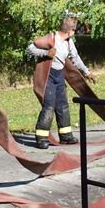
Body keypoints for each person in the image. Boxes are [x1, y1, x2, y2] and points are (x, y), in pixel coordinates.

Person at [26, 16, 95, 149]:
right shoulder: (51, 38)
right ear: (70, 31)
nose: (74, 33)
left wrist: (87, 72)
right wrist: (46, 53)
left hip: (59, 76)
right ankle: (41, 138)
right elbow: (30, 49)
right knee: (49, 106)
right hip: (48, 77)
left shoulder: (69, 42)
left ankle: (66, 136)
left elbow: (75, 58)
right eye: (74, 30)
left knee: (63, 105)